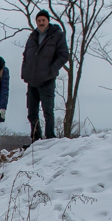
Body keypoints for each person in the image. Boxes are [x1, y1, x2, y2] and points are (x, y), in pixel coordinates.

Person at [21, 9, 69, 142]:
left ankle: (50, 138)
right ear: (36, 22)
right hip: (32, 79)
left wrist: (51, 70)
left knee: (48, 110)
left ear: (48, 21)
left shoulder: (56, 35)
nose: (41, 23)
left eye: (43, 20)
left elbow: (64, 55)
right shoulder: (32, 37)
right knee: (32, 112)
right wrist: (24, 73)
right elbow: (25, 56)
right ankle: (36, 138)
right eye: (39, 20)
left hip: (47, 79)